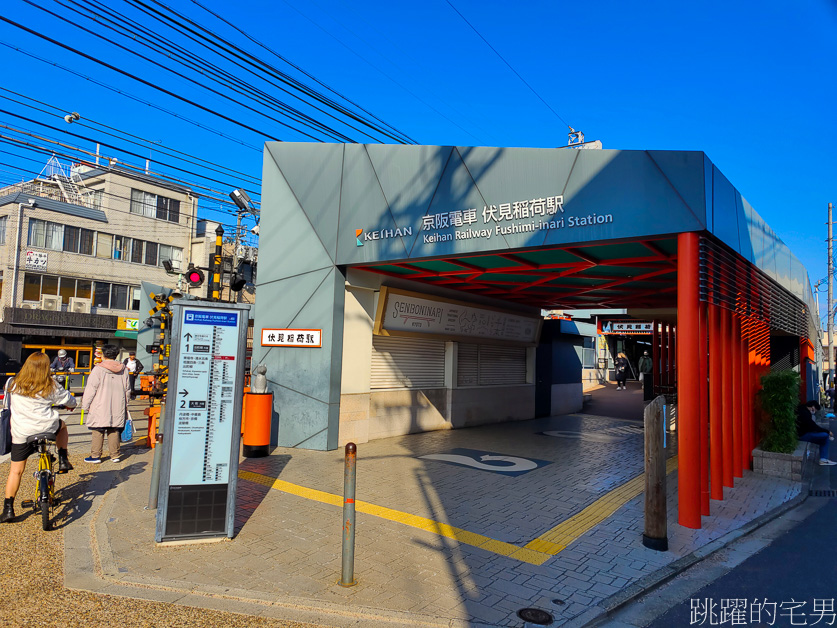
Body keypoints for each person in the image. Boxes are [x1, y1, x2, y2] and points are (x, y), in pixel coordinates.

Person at [1, 352, 77, 523]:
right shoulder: (51, 384)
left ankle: (8, 509)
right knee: (62, 425)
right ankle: (63, 457)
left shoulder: (12, 383)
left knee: (16, 471)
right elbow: (71, 401)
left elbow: (7, 405)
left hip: (21, 432)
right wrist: (69, 405)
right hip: (47, 427)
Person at [81, 344, 130, 464]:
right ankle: (115, 455)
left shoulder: (98, 369)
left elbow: (91, 388)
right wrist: (125, 404)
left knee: (98, 430)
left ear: (104, 355)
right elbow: (127, 389)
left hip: (100, 404)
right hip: (118, 404)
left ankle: (95, 456)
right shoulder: (123, 369)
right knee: (114, 429)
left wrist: (85, 405)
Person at [797, 400, 836, 466]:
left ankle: (823, 459)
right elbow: (813, 426)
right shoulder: (805, 413)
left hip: (801, 433)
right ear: (813, 407)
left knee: (824, 437)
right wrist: (827, 431)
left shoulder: (801, 409)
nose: (814, 412)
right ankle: (823, 459)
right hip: (802, 434)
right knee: (825, 436)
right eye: (815, 410)